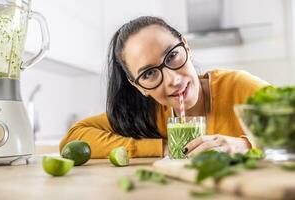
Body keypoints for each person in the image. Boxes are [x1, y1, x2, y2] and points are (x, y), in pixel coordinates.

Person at [59, 16, 269, 158]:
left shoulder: (239, 87)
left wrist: (245, 145)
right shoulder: (149, 114)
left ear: (186, 46)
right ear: (138, 86)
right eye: (149, 73)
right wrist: (163, 146)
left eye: (172, 55)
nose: (173, 80)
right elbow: (74, 137)